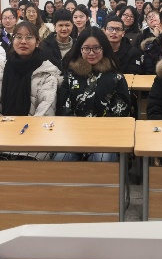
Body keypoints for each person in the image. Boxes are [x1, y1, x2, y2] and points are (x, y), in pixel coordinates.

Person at [55, 27, 131, 162]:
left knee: (102, 159)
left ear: (104, 48)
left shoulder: (116, 77)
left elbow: (122, 111)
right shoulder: (71, 75)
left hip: (106, 136)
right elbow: (63, 108)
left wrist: (97, 131)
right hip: (74, 134)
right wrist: (78, 131)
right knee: (62, 159)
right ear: (80, 49)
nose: (91, 53)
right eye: (86, 48)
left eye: (96, 48)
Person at [0, 21, 62, 117]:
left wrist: (26, 126)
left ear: (37, 42)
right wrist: (2, 124)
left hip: (34, 125)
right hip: (2, 125)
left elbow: (45, 110)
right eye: (18, 37)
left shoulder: (47, 72)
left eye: (29, 37)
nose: (23, 41)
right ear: (12, 41)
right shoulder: (0, 69)